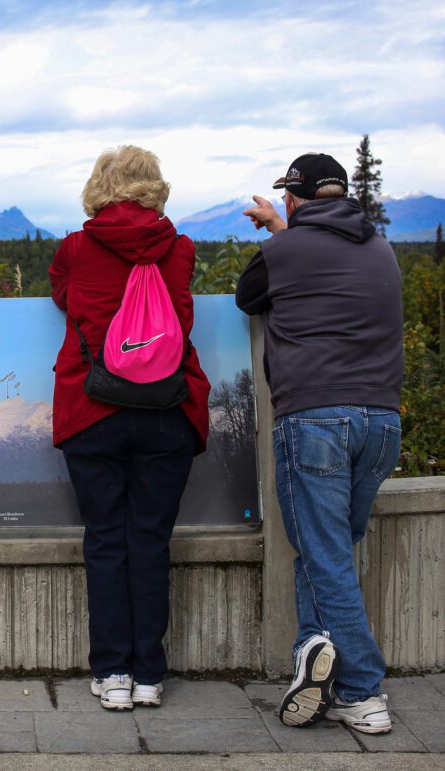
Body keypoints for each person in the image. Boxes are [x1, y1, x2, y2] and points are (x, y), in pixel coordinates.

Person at [236, 152, 403, 734]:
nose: (282, 202)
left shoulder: (284, 251)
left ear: (297, 197)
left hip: (315, 420)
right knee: (326, 552)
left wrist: (280, 237)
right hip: (381, 423)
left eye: (286, 196)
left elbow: (247, 294)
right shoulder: (380, 246)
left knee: (327, 557)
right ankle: (315, 661)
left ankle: (363, 691)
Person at [49, 146, 210, 711]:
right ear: (154, 187)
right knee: (150, 540)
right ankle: (149, 675)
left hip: (93, 411)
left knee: (105, 539)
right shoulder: (180, 248)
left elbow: (65, 297)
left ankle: (112, 673)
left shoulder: (75, 247)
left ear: (99, 186)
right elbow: (182, 316)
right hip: (167, 412)